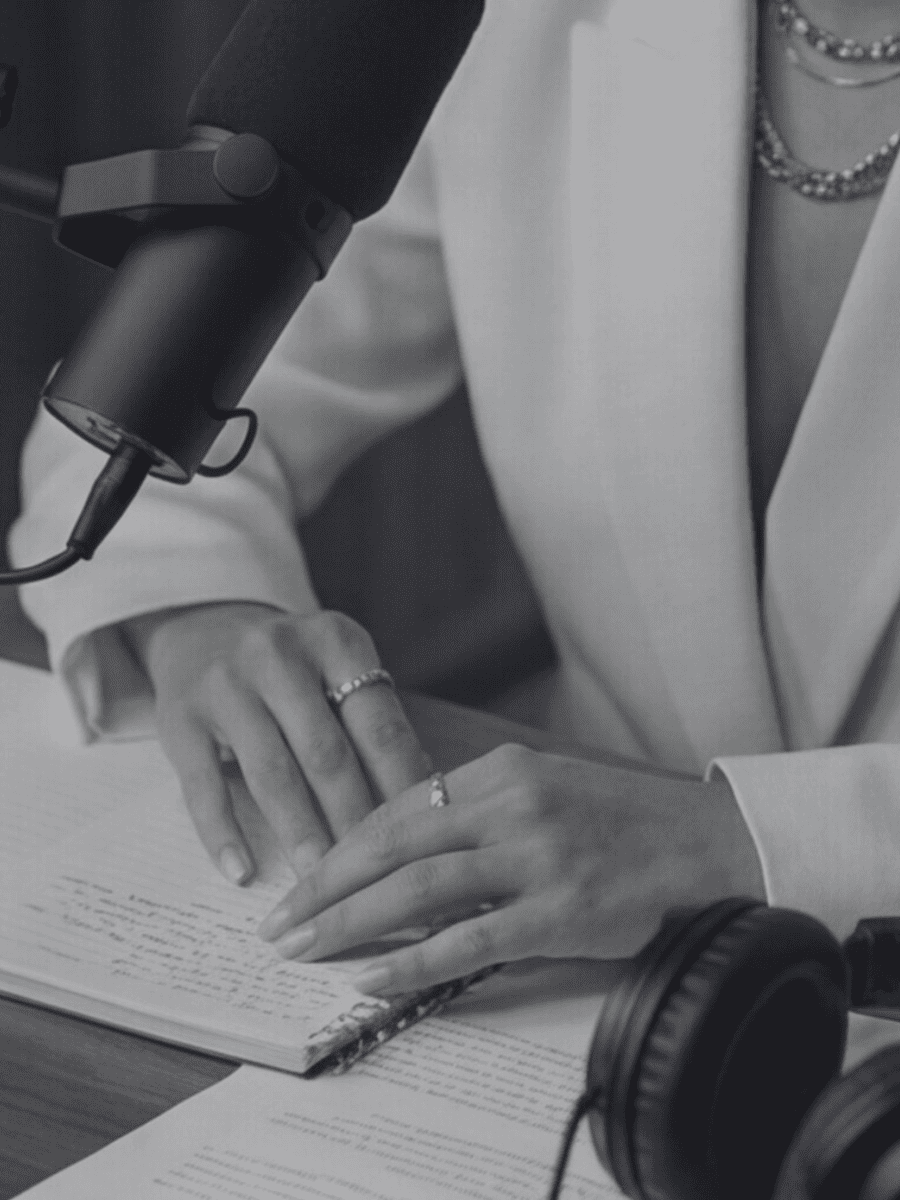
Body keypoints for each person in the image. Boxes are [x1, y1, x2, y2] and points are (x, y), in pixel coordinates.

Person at [12, 0, 900, 996]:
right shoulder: (506, 18)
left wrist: (744, 837)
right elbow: (152, 388)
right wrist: (199, 616)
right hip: (575, 977)